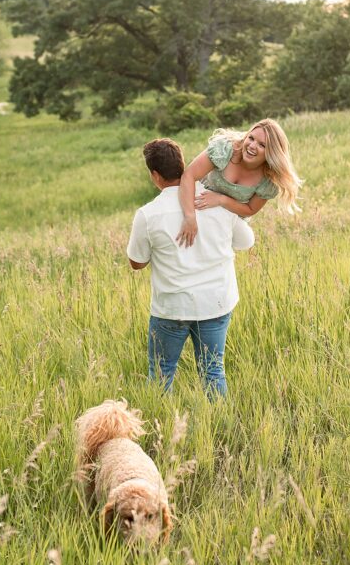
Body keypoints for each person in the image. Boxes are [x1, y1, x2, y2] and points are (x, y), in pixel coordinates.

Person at [126, 137, 255, 397]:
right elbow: (246, 242)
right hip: (216, 303)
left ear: (155, 175)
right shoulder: (216, 200)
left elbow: (136, 263)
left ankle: (161, 430)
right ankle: (221, 431)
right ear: (184, 164)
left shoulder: (148, 215)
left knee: (161, 373)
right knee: (213, 370)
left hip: (172, 308)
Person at [175, 122, 301, 249]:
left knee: (246, 240)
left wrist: (221, 200)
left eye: (262, 145)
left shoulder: (268, 180)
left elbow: (250, 210)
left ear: (271, 152)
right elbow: (189, 176)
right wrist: (189, 216)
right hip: (199, 201)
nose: (252, 146)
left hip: (229, 217)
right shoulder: (225, 149)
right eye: (251, 138)